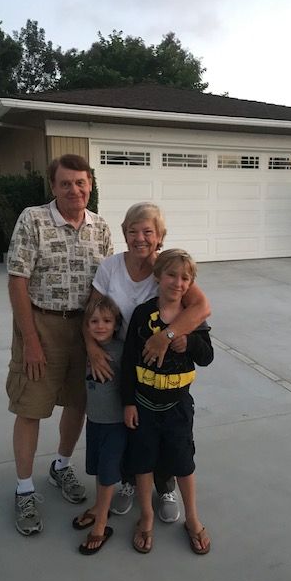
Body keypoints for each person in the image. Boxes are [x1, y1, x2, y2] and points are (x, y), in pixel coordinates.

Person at [6, 154, 113, 536]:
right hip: (42, 325)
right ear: (53, 186)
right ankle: (24, 489)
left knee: (78, 402)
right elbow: (17, 280)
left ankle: (61, 466)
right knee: (30, 407)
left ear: (90, 185)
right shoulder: (33, 220)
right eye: (65, 183)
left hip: (85, 329)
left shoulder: (101, 227)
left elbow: (107, 284)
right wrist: (31, 341)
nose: (74, 190)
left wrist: (99, 340)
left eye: (81, 182)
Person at [86, 202, 210, 522]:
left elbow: (201, 308)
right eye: (133, 231)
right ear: (124, 233)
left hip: (161, 366)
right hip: (120, 359)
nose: (140, 238)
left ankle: (165, 483)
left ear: (159, 237)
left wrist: (166, 337)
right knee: (127, 425)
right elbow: (91, 311)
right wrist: (92, 349)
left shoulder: (167, 268)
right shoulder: (111, 267)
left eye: (148, 232)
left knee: (166, 432)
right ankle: (129, 480)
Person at [122, 249, 213, 555]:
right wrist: (128, 402)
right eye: (171, 275)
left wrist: (191, 342)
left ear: (191, 283)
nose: (178, 283)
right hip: (144, 405)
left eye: (185, 278)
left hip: (178, 408)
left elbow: (207, 357)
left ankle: (192, 517)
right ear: (158, 276)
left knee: (183, 463)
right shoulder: (142, 314)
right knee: (143, 461)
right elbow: (128, 362)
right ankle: (146, 516)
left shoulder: (192, 320)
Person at [72, 296, 126, 555]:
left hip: (115, 424)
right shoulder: (88, 349)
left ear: (116, 325)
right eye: (94, 321)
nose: (100, 326)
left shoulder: (121, 351)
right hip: (94, 421)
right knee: (97, 469)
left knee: (107, 474)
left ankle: (101, 525)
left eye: (107, 321)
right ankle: (98, 508)